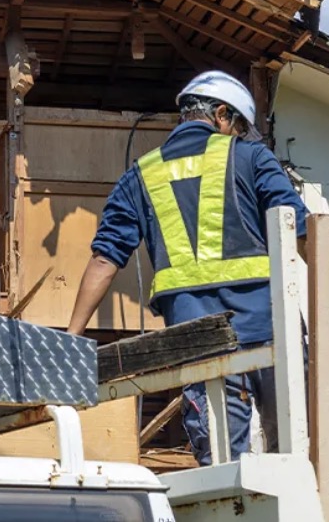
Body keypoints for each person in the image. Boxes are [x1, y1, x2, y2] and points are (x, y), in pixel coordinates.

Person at [66, 70, 308, 464]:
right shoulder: (252, 157)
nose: (238, 136)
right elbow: (299, 230)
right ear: (222, 115)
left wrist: (72, 339)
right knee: (295, 454)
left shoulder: (140, 176)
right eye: (239, 127)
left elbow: (104, 258)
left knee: (221, 467)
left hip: (197, 344)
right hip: (268, 329)